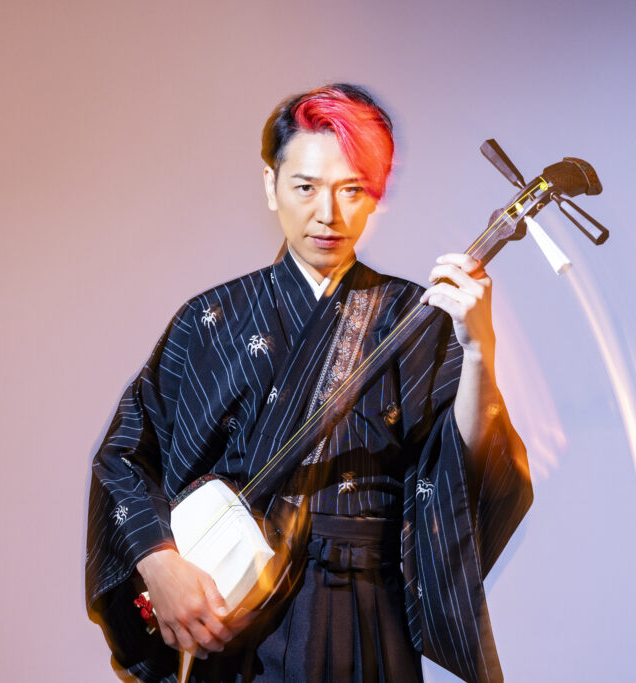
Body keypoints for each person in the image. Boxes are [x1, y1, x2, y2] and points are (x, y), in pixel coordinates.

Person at [86, 83, 533, 682]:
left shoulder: (414, 317)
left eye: (352, 190)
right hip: (242, 616)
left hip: (366, 615)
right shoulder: (212, 318)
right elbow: (123, 453)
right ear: (271, 185)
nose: (328, 213)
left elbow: (466, 466)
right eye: (305, 187)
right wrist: (159, 562)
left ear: (375, 197)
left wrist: (479, 350)